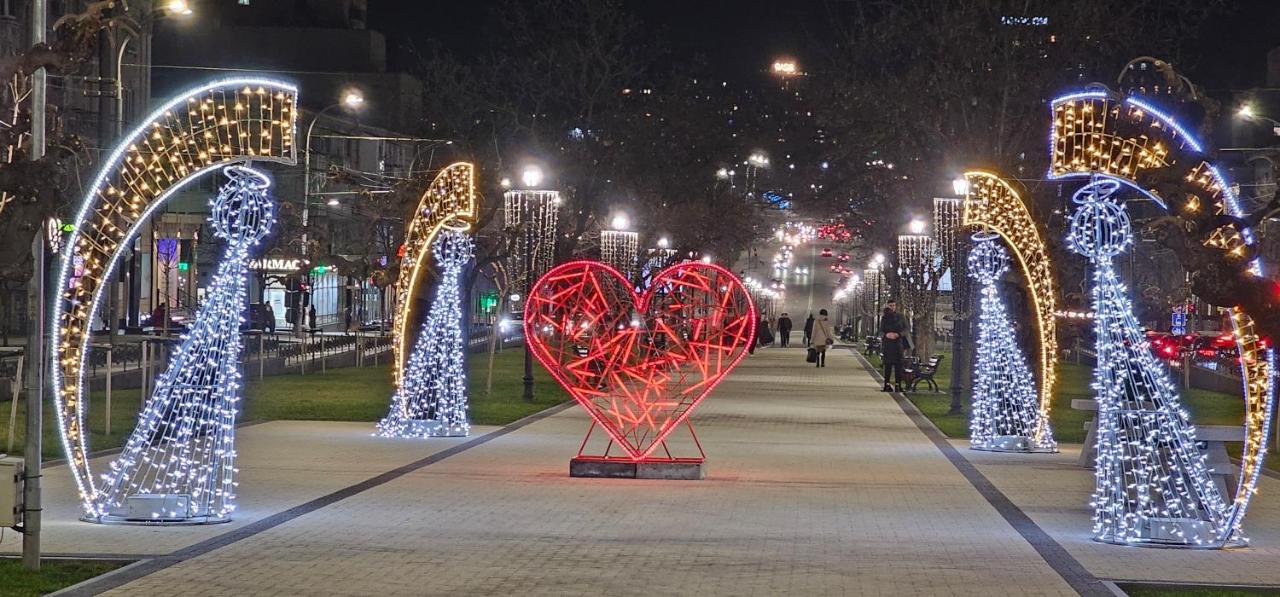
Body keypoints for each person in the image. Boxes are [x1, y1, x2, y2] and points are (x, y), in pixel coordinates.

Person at [880, 300, 909, 392]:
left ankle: (898, 385)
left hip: (898, 344)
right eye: (890, 305)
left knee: (898, 365)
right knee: (888, 365)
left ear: (896, 306)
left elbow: (906, 329)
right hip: (888, 344)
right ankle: (887, 384)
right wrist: (886, 335)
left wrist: (898, 334)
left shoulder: (901, 317)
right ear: (887, 306)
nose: (892, 307)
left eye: (893, 305)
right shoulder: (884, 318)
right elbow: (880, 330)